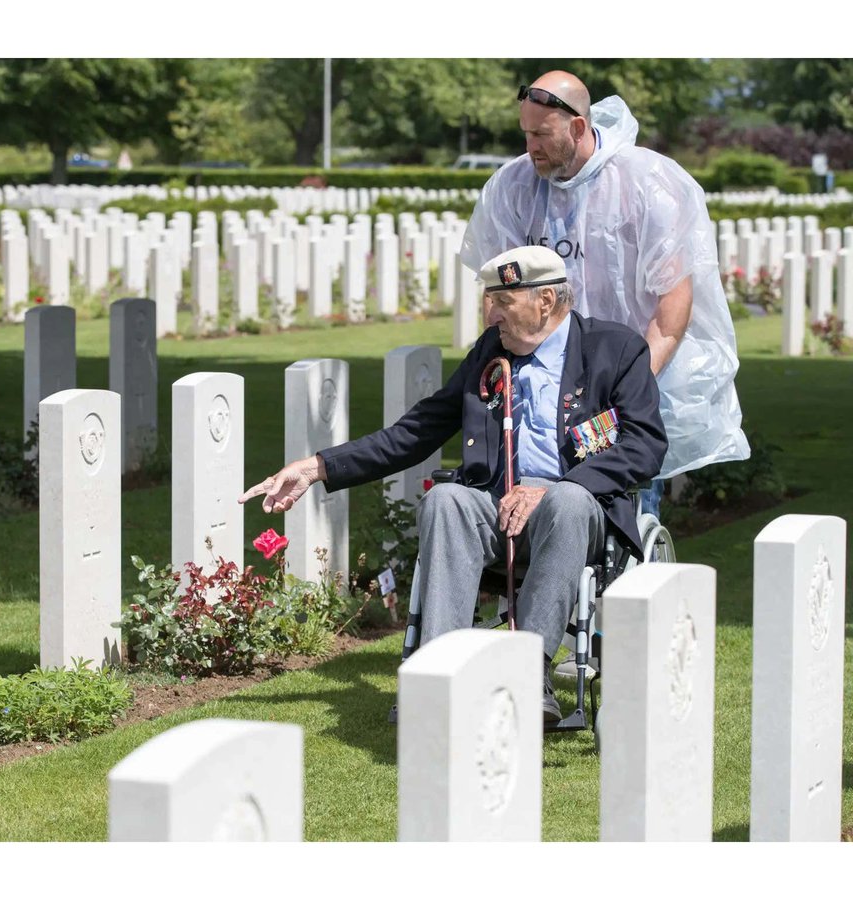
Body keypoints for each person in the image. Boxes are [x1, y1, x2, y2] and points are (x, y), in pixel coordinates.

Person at [239, 246, 667, 723]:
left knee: (567, 499)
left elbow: (645, 445)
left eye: (502, 301)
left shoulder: (615, 349)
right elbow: (416, 431)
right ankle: (438, 676)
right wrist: (318, 467)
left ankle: (528, 673)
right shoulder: (490, 353)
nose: (490, 314)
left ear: (546, 300)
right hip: (497, 509)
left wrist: (551, 488)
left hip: (574, 513)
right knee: (445, 498)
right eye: (489, 300)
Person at [461, 70, 749, 515]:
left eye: (541, 134)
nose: (529, 146)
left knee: (624, 516)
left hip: (623, 387)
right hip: (539, 390)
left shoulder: (646, 183)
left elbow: (673, 302)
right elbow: (497, 292)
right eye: (525, 133)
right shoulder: (513, 187)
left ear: (577, 127)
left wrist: (627, 385)